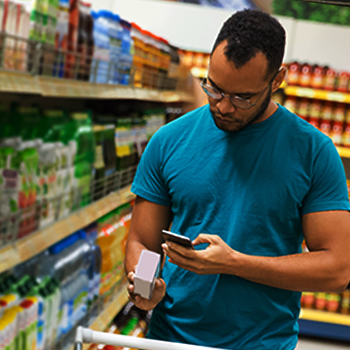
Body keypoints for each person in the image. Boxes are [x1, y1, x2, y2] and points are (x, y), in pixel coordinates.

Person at [125, 9, 350, 350]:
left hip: (263, 344)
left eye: (242, 97)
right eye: (214, 89)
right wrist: (144, 290)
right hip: (170, 341)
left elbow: (338, 268)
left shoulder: (314, 152)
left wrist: (234, 264)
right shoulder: (169, 141)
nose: (224, 107)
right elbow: (141, 241)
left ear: (277, 81)